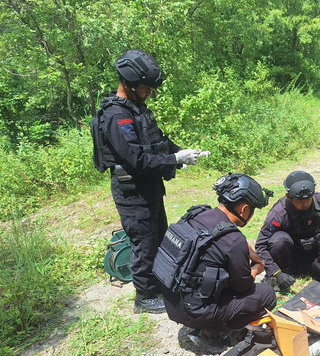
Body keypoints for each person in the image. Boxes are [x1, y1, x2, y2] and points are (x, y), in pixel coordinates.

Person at [91, 49, 206, 314]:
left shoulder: (137, 110)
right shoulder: (116, 116)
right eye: (145, 88)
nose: (149, 93)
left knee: (157, 237)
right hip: (132, 192)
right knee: (143, 242)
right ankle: (144, 296)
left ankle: (160, 283)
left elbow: (157, 141)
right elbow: (136, 159)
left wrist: (182, 153)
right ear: (129, 84)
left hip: (150, 187)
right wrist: (175, 159)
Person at [160, 174, 277, 341]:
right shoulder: (234, 240)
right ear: (244, 209)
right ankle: (219, 330)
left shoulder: (196, 214)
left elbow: (214, 244)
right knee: (267, 294)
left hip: (172, 302)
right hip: (195, 312)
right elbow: (243, 287)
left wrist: (244, 248)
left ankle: (207, 324)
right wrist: (257, 269)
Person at [255, 170, 320, 292]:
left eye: (307, 200)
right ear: (288, 197)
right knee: (279, 240)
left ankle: (306, 268)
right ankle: (285, 273)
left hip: (314, 253)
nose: (304, 204)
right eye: (299, 201)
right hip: (289, 255)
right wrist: (276, 272)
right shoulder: (278, 213)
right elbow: (261, 245)